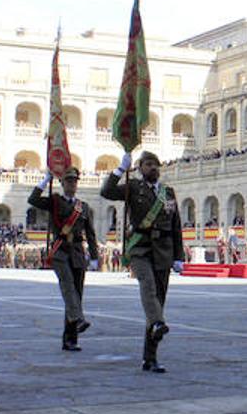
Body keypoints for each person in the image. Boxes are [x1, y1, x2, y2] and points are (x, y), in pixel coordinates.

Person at [101, 151, 183, 373]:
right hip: (140, 248)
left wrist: (178, 256)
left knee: (158, 302)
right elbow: (106, 191)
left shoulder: (168, 192)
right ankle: (158, 323)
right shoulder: (133, 187)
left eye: (156, 165)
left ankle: (150, 357)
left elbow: (176, 225)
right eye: (148, 164)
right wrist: (119, 170)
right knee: (148, 287)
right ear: (139, 168)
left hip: (163, 252)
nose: (153, 168)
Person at [28, 166, 99, 351]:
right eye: (68, 181)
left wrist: (94, 256)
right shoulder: (55, 201)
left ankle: (70, 339)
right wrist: (45, 180)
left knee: (76, 294)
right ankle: (79, 319)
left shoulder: (83, 207)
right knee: (68, 288)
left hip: (77, 252)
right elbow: (33, 200)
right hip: (60, 251)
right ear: (62, 183)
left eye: (74, 181)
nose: (72, 184)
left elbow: (90, 234)